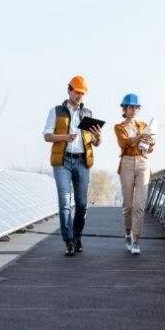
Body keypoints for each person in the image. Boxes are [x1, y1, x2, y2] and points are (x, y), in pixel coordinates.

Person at [43, 75, 103, 256]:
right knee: (64, 203)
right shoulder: (56, 111)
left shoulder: (88, 114)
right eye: (77, 92)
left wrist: (99, 137)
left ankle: (77, 236)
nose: (79, 96)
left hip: (82, 162)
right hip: (63, 162)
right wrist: (64, 137)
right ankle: (68, 241)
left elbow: (95, 142)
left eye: (82, 94)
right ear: (69, 90)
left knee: (82, 204)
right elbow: (46, 136)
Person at [114, 93, 154, 255]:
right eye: (131, 107)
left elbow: (149, 149)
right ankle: (127, 235)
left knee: (140, 205)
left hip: (143, 162)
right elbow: (124, 143)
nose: (133, 110)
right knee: (128, 205)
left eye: (136, 107)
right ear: (124, 109)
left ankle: (136, 239)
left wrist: (150, 143)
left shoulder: (143, 125)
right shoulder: (119, 127)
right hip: (127, 164)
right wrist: (139, 137)